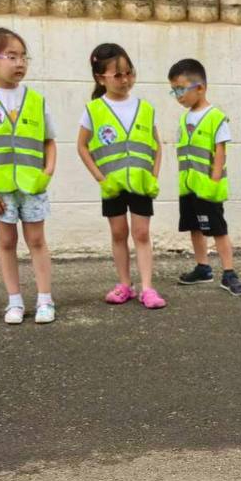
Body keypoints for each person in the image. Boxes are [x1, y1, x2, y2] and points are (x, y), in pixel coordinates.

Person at [0, 27, 57, 325]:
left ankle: (45, 299)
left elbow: (49, 141)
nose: (20, 63)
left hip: (32, 186)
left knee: (37, 240)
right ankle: (14, 301)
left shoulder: (35, 99)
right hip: (0, 189)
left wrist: (48, 171)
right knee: (6, 242)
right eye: (12, 56)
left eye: (23, 57)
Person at [76, 42, 165, 309]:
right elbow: (81, 146)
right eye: (118, 75)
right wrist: (100, 179)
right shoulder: (94, 109)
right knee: (118, 233)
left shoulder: (145, 108)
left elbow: (157, 144)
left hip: (140, 184)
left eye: (129, 73)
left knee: (141, 233)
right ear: (100, 78)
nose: (125, 80)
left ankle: (147, 287)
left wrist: (154, 176)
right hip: (112, 186)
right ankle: (124, 284)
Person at [168, 58, 241, 296]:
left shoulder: (216, 117)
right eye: (174, 90)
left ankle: (229, 272)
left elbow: (220, 152)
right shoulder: (184, 118)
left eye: (181, 89)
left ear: (200, 87)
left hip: (208, 187)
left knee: (218, 229)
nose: (178, 95)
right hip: (189, 186)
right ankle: (203, 267)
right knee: (195, 227)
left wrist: (214, 181)